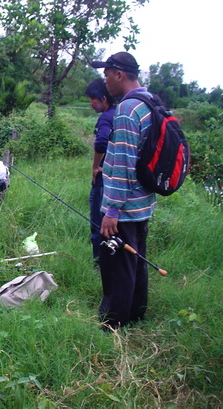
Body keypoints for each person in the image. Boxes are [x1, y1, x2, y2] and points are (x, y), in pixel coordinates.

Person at [91, 52, 157, 329]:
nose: (105, 81)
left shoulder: (128, 109)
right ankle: (136, 315)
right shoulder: (150, 101)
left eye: (106, 75)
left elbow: (122, 165)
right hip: (144, 202)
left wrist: (111, 211)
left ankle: (112, 324)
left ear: (119, 74)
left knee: (117, 264)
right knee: (136, 260)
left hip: (125, 206)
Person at [85, 78, 116, 262]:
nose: (91, 103)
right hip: (115, 181)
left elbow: (102, 141)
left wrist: (96, 166)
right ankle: (109, 261)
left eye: (93, 99)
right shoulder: (118, 113)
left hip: (103, 182)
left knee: (98, 224)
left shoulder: (106, 117)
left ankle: (99, 264)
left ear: (104, 99)